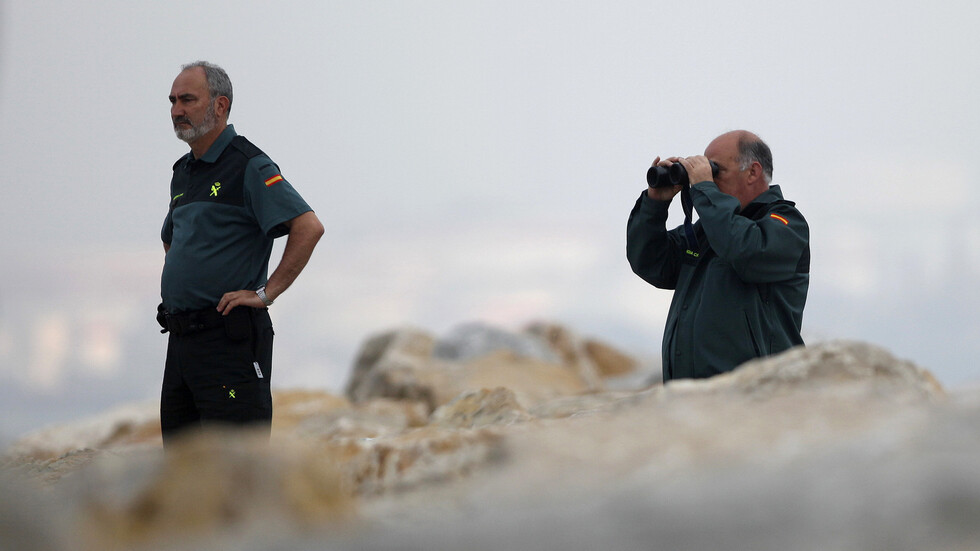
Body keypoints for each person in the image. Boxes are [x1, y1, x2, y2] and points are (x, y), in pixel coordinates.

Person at [158, 61, 324, 445]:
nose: (176, 111)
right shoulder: (183, 171)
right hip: (182, 341)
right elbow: (172, 239)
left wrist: (266, 293)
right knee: (181, 476)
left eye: (187, 100)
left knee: (235, 475)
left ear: (220, 106)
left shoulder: (248, 164)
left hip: (227, 340)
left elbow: (308, 227)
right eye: (172, 101)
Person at [626, 130, 809, 382]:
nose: (708, 179)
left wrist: (704, 189)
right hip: (690, 400)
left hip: (757, 398)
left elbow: (747, 251)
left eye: (715, 170)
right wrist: (654, 204)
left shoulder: (786, 224)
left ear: (753, 172)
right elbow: (650, 261)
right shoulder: (707, 231)